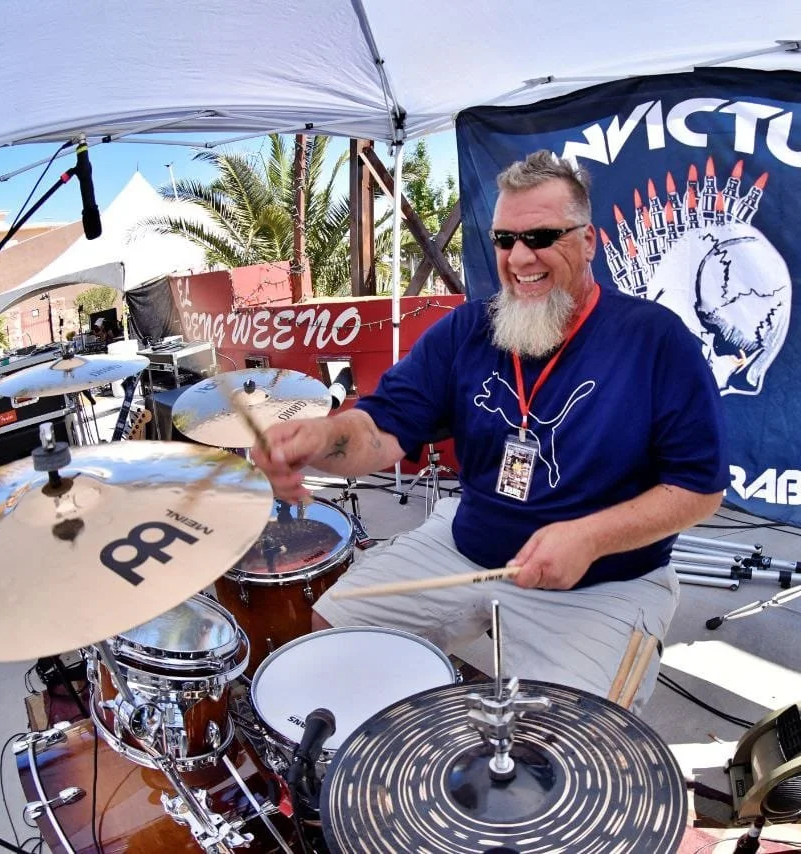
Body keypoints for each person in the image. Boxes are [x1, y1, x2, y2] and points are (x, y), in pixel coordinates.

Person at [253, 151, 728, 710]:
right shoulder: (467, 330)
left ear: (588, 240)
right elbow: (381, 431)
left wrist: (590, 537)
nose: (519, 257)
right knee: (331, 633)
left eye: (542, 236)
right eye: (504, 240)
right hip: (463, 546)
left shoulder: (656, 340)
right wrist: (321, 440)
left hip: (604, 583)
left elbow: (700, 489)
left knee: (574, 748)